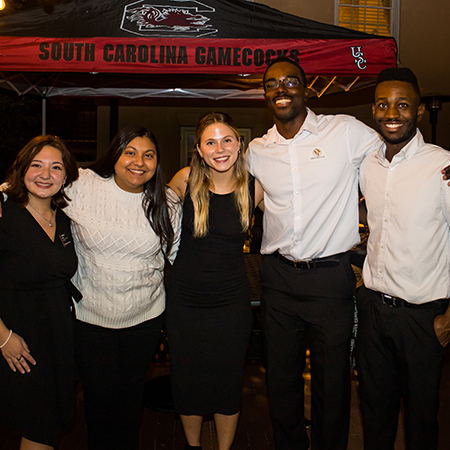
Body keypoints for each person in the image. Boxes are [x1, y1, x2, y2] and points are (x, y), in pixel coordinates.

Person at [245, 57, 381, 450]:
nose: (281, 89)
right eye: (272, 83)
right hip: (279, 278)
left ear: (307, 89)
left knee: (332, 382)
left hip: (329, 278)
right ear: (265, 94)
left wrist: (438, 163)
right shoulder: (258, 149)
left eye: (290, 82)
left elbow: (393, 154)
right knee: (281, 381)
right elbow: (235, 195)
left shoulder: (345, 131)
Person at [61, 126, 180, 450]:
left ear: (157, 162)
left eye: (148, 155)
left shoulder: (166, 202)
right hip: (91, 316)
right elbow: (35, 186)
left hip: (145, 317)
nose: (138, 161)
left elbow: (177, 254)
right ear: (115, 154)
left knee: (131, 396)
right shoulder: (83, 185)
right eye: (130, 152)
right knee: (98, 397)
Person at [356, 67, 450, 450]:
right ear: (373, 110)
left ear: (419, 111)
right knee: (374, 413)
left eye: (403, 105)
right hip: (374, 310)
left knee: (421, 419)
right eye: (383, 104)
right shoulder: (368, 164)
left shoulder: (441, 166)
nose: (391, 112)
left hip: (423, 318)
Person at [166, 112, 263, 450]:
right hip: (185, 300)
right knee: (187, 378)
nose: (219, 148)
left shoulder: (255, 186)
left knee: (228, 379)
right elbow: (144, 212)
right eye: (211, 142)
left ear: (239, 145)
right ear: (199, 149)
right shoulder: (184, 179)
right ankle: (192, 446)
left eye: (227, 140)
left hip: (231, 301)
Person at [0, 135, 79, 450]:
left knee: (49, 424)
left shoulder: (64, 220)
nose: (46, 175)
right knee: (38, 426)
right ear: (21, 170)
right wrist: (3, 337)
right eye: (36, 165)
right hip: (19, 340)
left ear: (65, 176)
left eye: (55, 167)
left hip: (58, 337)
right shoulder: (5, 214)